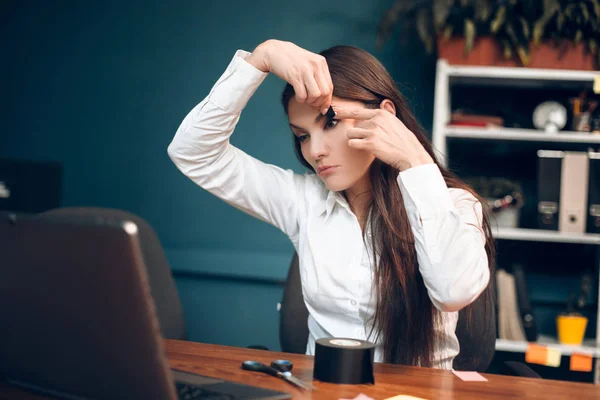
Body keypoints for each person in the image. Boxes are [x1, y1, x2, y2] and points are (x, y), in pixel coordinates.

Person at [168, 39, 495, 369]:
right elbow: (193, 153)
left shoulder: (454, 204)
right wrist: (260, 58)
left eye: (330, 122)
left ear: (385, 119)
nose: (315, 151)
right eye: (303, 136)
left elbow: (452, 292)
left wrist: (414, 162)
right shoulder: (303, 201)